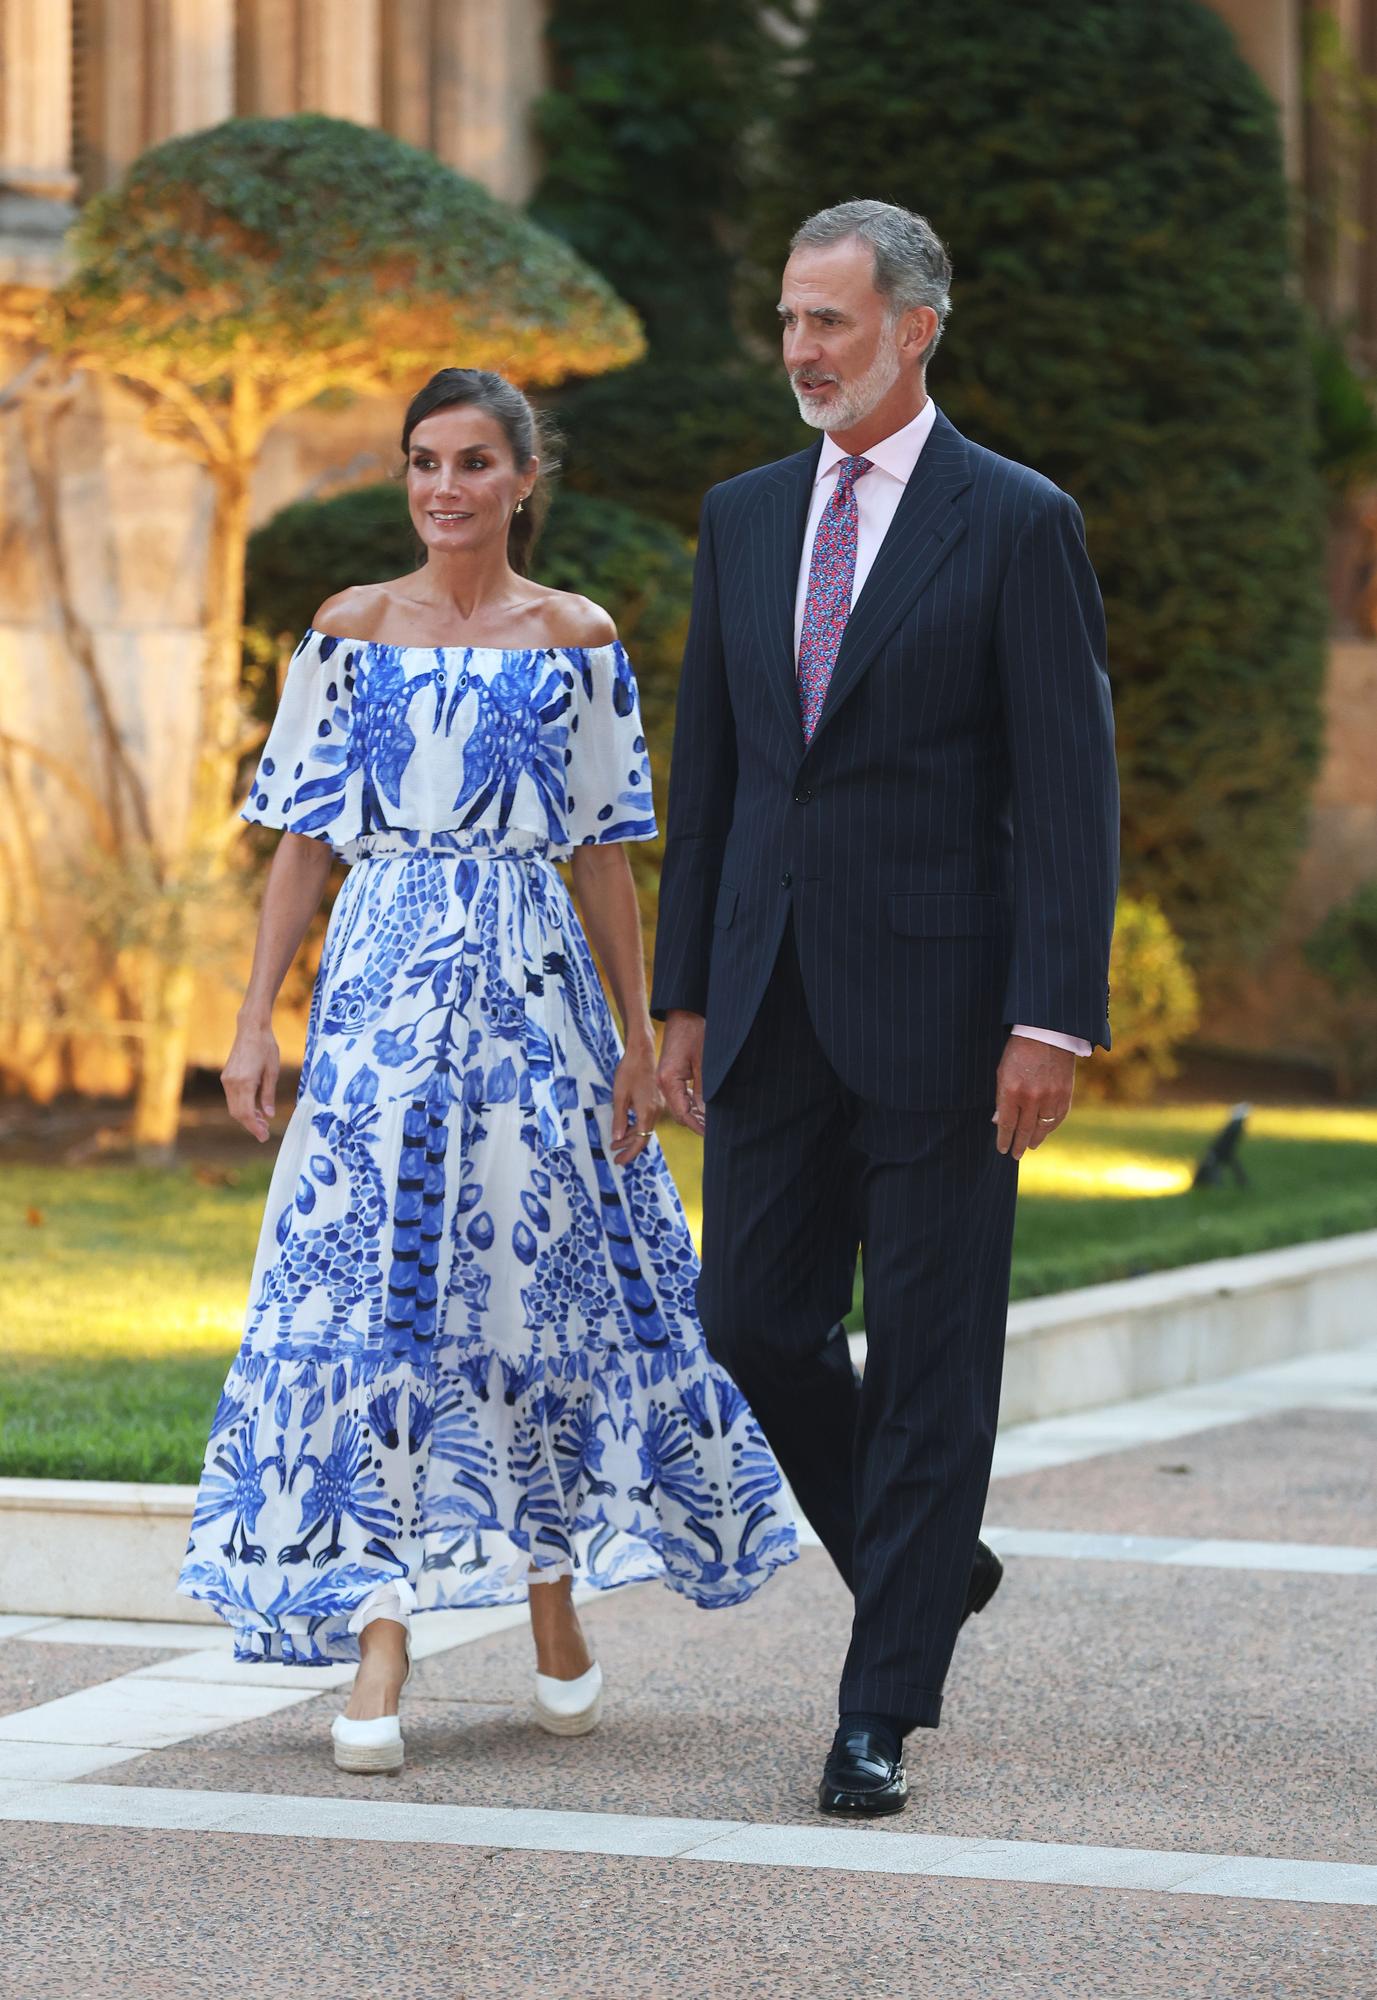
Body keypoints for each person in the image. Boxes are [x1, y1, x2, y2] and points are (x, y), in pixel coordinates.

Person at [179, 367, 797, 1773]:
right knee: (372, 1296)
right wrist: (253, 1016)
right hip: (380, 1005)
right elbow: (301, 845)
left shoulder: (576, 639)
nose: (442, 490)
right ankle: (379, 1637)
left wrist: (640, 1045)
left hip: (536, 1007)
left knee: (530, 1292)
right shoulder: (346, 632)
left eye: (470, 464)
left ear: (525, 477)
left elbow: (604, 859)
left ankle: (553, 1608)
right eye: (421, 463)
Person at [652, 201, 1118, 1816]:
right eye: (786, 320)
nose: (799, 351)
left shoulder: (1013, 521)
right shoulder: (740, 516)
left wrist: (1051, 1017)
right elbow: (709, 774)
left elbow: (1070, 789)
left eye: (830, 323)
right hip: (767, 997)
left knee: (926, 1362)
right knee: (751, 1321)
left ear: (914, 328)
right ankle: (925, 1570)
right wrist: (685, 997)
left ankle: (877, 1709)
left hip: (943, 1009)